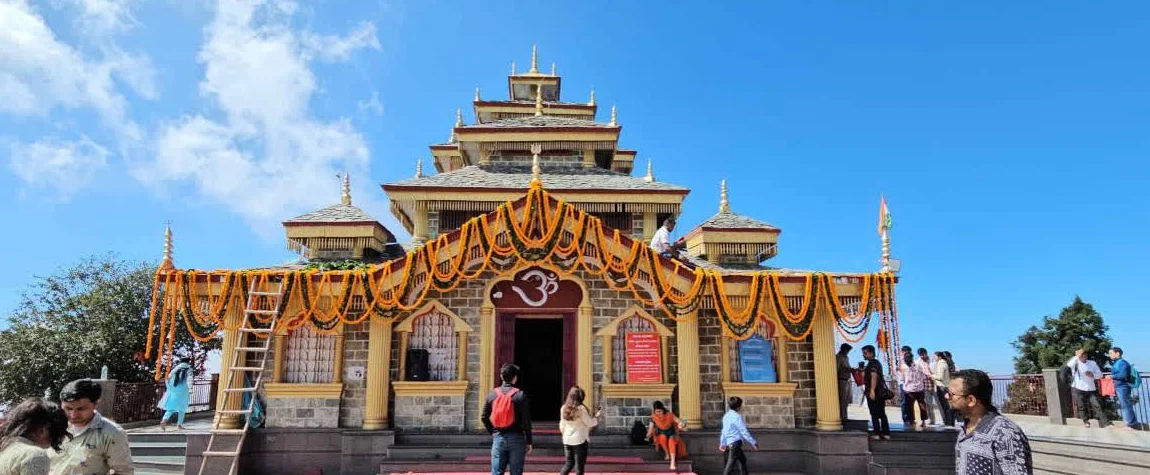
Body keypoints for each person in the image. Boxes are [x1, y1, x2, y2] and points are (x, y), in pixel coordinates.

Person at [947, 369, 1033, 475]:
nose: (946, 397)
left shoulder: (1005, 433)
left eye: (951, 394)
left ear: (971, 400)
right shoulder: (965, 430)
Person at [51, 379, 134, 475]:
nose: (73, 415)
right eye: (68, 408)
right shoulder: (55, 426)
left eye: (81, 409)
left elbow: (123, 472)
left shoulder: (111, 433)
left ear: (96, 403)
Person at [481, 363, 532, 475]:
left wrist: (493, 432)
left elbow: (484, 417)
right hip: (517, 438)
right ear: (515, 378)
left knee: (497, 472)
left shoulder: (492, 394)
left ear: (501, 376)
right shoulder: (520, 395)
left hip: (499, 437)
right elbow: (526, 421)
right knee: (516, 472)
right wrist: (529, 441)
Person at [0, 398, 70, 475]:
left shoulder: (6, 450)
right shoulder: (35, 455)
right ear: (44, 429)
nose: (52, 443)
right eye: (56, 434)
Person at [558, 386, 601, 475]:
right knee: (579, 467)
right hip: (579, 440)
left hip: (567, 439)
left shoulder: (564, 408)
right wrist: (596, 416)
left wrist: (565, 435)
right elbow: (590, 423)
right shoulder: (581, 409)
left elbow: (562, 425)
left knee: (569, 464)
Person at [1064, 349, 1109, 428]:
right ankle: (1085, 421)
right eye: (1081, 356)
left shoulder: (1092, 363)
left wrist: (1093, 375)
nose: (1083, 357)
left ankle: (1105, 423)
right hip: (1078, 388)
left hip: (1091, 388)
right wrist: (1076, 356)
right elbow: (1069, 365)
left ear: (1087, 356)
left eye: (1084, 356)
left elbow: (1100, 375)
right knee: (1081, 406)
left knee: (1097, 405)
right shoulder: (1075, 362)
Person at [719, 396, 758, 475]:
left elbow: (724, 431)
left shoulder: (726, 416)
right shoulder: (737, 417)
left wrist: (722, 443)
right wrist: (753, 442)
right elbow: (744, 431)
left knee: (742, 460)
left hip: (731, 443)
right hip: (735, 443)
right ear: (738, 407)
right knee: (730, 464)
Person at [644, 401, 687, 471]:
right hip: (662, 433)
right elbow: (650, 429)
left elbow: (680, 421)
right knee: (662, 438)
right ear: (654, 411)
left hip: (671, 432)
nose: (658, 413)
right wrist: (648, 436)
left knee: (671, 441)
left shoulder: (669, 415)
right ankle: (667, 454)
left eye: (660, 411)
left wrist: (682, 424)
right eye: (656, 411)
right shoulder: (653, 417)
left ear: (663, 410)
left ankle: (672, 462)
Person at [862, 345, 890, 440]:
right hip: (880, 392)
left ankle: (877, 433)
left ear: (871, 353)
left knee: (874, 413)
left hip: (875, 391)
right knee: (881, 413)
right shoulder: (875, 363)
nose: (864, 355)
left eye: (865, 353)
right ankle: (886, 433)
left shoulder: (873, 364)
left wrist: (872, 390)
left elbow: (874, 376)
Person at [1108, 347, 1140, 430]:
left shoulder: (1122, 363)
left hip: (1122, 387)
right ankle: (1132, 422)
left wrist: (1111, 376)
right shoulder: (1118, 362)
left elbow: (1123, 375)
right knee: (1126, 405)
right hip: (1120, 386)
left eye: (1111, 353)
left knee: (1125, 406)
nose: (1109, 355)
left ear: (1117, 353)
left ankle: (1129, 424)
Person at [159, 357, 193, 431]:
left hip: (174, 390)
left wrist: (169, 388)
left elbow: (168, 378)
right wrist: (190, 389)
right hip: (183, 390)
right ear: (188, 362)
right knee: (182, 408)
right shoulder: (189, 369)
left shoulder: (176, 368)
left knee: (171, 407)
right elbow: (189, 379)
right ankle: (179, 425)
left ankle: (164, 420)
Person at [899, 349, 929, 428]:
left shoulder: (903, 367)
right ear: (912, 358)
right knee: (922, 405)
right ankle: (923, 421)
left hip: (908, 389)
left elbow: (902, 378)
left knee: (909, 406)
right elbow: (923, 376)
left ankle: (911, 420)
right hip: (919, 388)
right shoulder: (918, 365)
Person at [931, 351, 956, 427]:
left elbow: (940, 377)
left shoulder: (941, 364)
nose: (933, 357)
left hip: (942, 387)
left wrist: (932, 376)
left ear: (939, 356)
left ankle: (948, 422)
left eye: (934, 356)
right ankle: (950, 422)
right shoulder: (948, 364)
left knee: (945, 406)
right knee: (948, 405)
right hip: (947, 386)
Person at [916, 348, 939, 426]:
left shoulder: (933, 360)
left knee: (940, 404)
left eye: (923, 354)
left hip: (935, 384)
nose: (922, 356)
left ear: (926, 353)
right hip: (925, 385)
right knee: (929, 404)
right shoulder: (917, 362)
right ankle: (932, 420)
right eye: (920, 355)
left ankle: (946, 420)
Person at [896, 346, 914, 425]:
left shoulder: (911, 360)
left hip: (911, 384)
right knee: (904, 401)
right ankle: (905, 418)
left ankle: (911, 417)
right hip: (903, 383)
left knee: (910, 401)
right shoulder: (900, 361)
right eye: (908, 352)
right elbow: (900, 373)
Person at [836, 343, 853, 422]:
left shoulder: (846, 358)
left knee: (846, 400)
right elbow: (837, 369)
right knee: (842, 400)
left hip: (847, 380)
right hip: (841, 380)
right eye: (847, 350)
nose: (848, 352)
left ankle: (845, 416)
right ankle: (843, 417)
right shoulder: (839, 357)